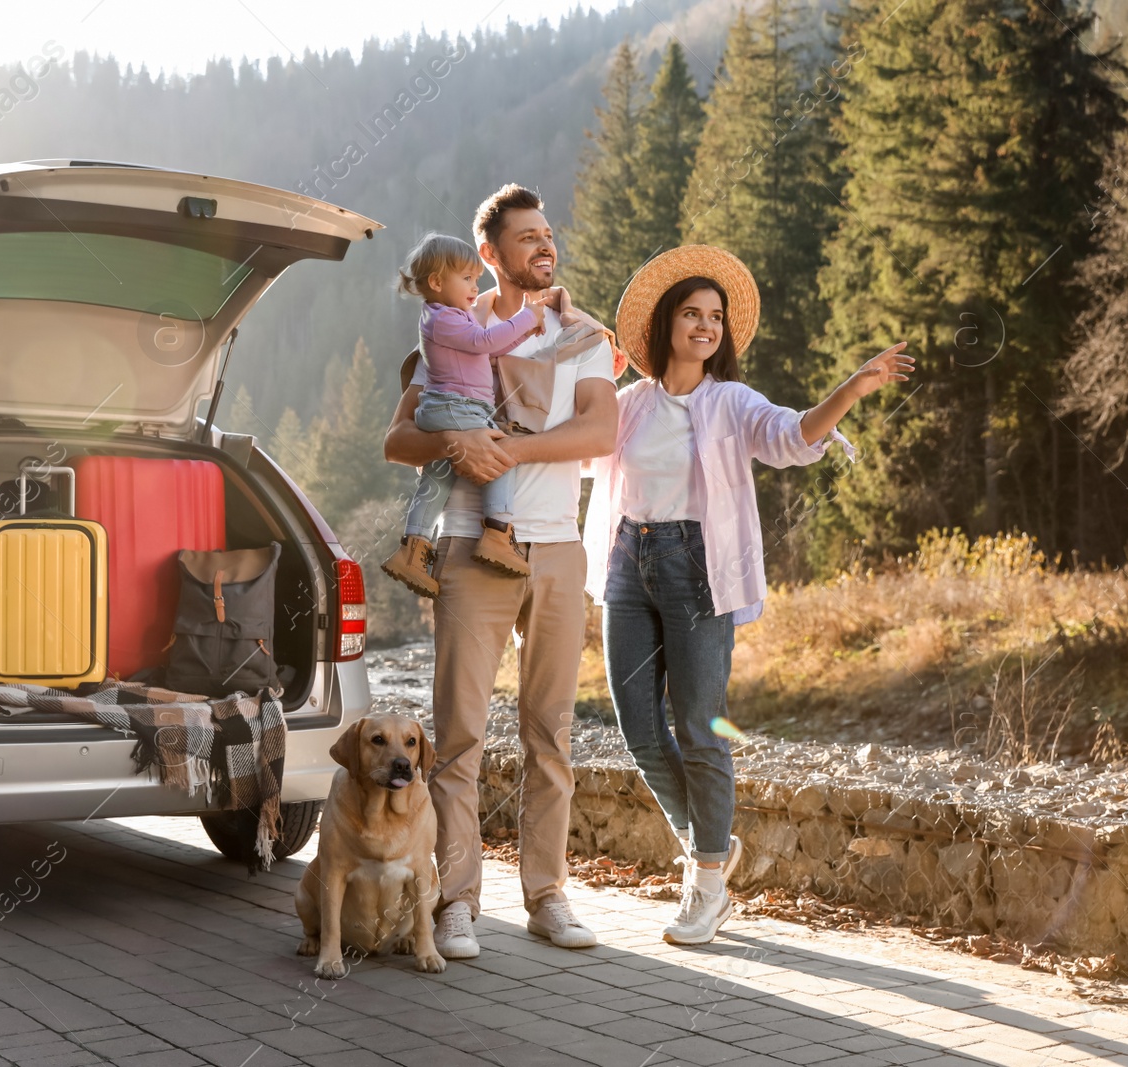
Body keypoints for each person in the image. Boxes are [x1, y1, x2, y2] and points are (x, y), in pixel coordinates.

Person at [584, 245, 914, 945]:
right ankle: (708, 836)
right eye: (693, 313)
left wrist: (851, 388)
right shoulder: (628, 405)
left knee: (701, 727)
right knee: (639, 727)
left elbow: (793, 437)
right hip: (625, 564)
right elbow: (574, 448)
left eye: (715, 317)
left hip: (698, 567)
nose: (705, 325)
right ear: (666, 323)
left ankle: (706, 882)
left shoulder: (731, 402)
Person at [384, 184, 619, 957]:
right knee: (458, 737)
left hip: (556, 550)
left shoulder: (583, 334)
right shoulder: (453, 327)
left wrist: (508, 449)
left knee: (552, 732)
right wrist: (460, 444)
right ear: (489, 255)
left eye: (548, 234)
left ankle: (547, 895)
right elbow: (399, 439)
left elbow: (599, 429)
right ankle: (456, 901)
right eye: (526, 238)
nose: (544, 247)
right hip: (467, 549)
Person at [381, 233, 549, 598]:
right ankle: (497, 534)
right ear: (437, 282)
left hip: (445, 410)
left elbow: (489, 349)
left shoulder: (450, 316)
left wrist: (523, 332)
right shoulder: (443, 319)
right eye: (467, 279)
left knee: (439, 478)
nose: (476, 286)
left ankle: (413, 549)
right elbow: (484, 343)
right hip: (459, 409)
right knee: (502, 454)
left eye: (476, 278)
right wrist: (527, 316)